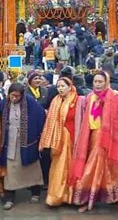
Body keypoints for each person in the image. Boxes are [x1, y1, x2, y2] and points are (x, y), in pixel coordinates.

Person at [70, 71, 118, 214]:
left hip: (114, 141)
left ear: (106, 82)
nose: (97, 85)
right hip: (94, 140)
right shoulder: (90, 98)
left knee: (117, 171)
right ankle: (87, 200)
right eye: (95, 82)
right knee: (91, 170)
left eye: (100, 82)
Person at [39, 77, 85, 206]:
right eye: (58, 86)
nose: (60, 89)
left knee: (73, 168)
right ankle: (57, 196)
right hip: (58, 141)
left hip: (74, 140)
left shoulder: (79, 101)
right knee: (58, 168)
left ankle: (72, 197)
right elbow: (49, 122)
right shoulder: (55, 101)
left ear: (70, 87)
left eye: (63, 86)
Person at [0, 83, 46, 210]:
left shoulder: (30, 102)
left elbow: (40, 115)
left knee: (31, 168)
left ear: (22, 95)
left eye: (17, 96)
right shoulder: (4, 103)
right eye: (12, 95)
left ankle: (35, 192)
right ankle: (9, 197)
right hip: (10, 142)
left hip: (27, 142)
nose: (14, 98)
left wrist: (35, 134)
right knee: (11, 170)